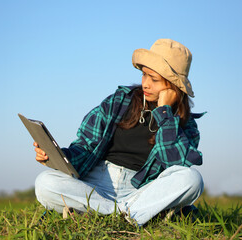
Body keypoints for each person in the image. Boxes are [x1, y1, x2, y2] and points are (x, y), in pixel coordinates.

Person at [34, 39, 204, 226]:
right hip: (96, 184)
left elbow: (176, 166)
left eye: (154, 79)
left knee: (192, 179)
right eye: (144, 75)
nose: (145, 84)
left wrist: (164, 113)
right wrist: (59, 156)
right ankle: (131, 214)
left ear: (173, 85)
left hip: (141, 191)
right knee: (45, 183)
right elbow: (85, 146)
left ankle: (102, 212)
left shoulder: (185, 125)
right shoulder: (119, 101)